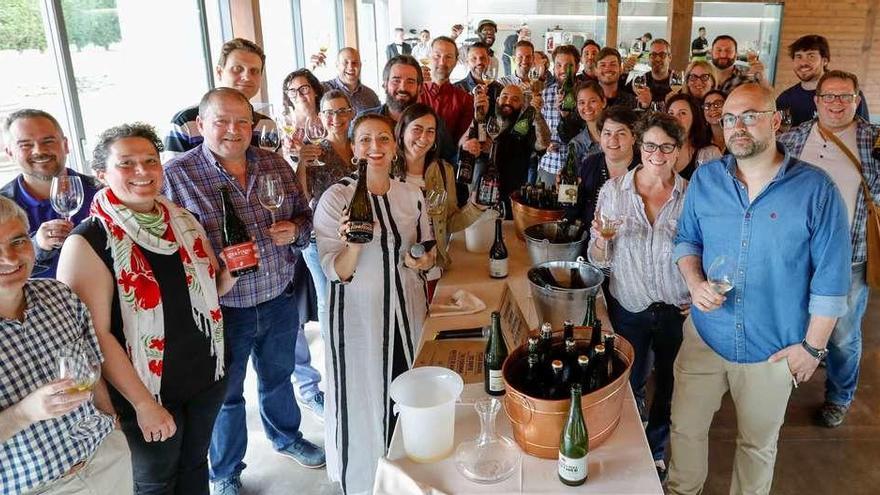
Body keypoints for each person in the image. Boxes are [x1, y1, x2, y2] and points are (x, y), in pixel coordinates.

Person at [667, 83, 851, 495]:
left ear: (776, 120)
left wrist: (813, 348)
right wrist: (694, 284)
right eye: (729, 118)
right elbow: (686, 241)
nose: (738, 127)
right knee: (686, 429)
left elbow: (832, 280)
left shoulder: (816, 190)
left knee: (757, 445)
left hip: (772, 347)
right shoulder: (707, 179)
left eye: (750, 115)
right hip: (706, 335)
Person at [56, 123, 234, 494]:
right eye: (127, 163)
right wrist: (141, 404)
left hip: (205, 376)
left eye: (150, 161)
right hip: (146, 393)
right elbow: (94, 335)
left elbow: (208, 296)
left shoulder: (182, 221)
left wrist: (231, 274)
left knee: (195, 468)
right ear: (101, 175)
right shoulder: (89, 241)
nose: (142, 171)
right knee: (155, 482)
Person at [162, 88, 324, 495]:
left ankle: (286, 438)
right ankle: (226, 471)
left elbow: (304, 217)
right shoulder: (177, 175)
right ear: (201, 125)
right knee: (226, 396)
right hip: (222, 308)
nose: (233, 130)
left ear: (253, 126)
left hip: (278, 298)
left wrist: (296, 231)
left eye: (242, 122)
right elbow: (164, 245)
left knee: (278, 378)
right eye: (221, 121)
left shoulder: (274, 165)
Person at [315, 114, 435, 494]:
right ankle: (370, 482)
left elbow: (428, 251)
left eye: (383, 139)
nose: (375, 148)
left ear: (395, 145)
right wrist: (353, 245)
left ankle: (412, 477)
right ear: (353, 149)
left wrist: (423, 261)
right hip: (359, 319)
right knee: (365, 400)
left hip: (408, 312)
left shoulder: (410, 194)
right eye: (365, 140)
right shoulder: (336, 198)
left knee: (408, 391)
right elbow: (336, 270)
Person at [0, 196, 133, 495]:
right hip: (35, 487)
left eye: (18, 240)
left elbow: (92, 366)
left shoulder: (59, 295)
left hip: (105, 460)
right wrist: (24, 413)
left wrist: (112, 424)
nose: (9, 258)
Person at [588, 111, 690, 481]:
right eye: (650, 145)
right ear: (640, 147)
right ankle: (627, 447)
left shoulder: (691, 196)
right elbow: (597, 261)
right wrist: (602, 241)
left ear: (678, 151)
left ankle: (657, 449)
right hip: (629, 305)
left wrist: (698, 291)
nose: (657, 154)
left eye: (666, 147)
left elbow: (708, 251)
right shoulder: (614, 193)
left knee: (668, 383)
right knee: (626, 381)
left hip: (675, 310)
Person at [779, 70, 880, 428]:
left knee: (843, 336)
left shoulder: (873, 140)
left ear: (856, 100)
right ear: (816, 101)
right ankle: (780, 384)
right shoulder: (792, 139)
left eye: (845, 97)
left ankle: (839, 395)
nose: (837, 104)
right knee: (790, 324)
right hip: (795, 256)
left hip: (848, 257)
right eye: (829, 97)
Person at [277, 68, 328, 417]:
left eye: (305, 88)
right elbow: (293, 190)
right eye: (293, 91)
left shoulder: (330, 120)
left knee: (330, 298)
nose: (301, 95)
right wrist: (298, 159)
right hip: (298, 226)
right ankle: (310, 386)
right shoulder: (283, 132)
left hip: (328, 224)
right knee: (306, 306)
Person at [1, 109, 102, 279]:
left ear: (65, 145)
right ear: (10, 153)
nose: (39, 150)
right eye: (25, 145)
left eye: (48, 141)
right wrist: (37, 246)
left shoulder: (101, 191)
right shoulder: (3, 206)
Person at [298, 90, 356, 351]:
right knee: (328, 298)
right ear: (321, 116)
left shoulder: (361, 143)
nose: (337, 118)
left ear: (351, 112)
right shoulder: (315, 151)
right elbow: (302, 196)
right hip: (320, 237)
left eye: (342, 111)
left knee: (354, 295)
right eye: (330, 112)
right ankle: (335, 349)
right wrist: (301, 164)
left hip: (356, 234)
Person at [395, 103, 483, 272]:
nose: (423, 137)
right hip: (396, 270)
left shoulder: (444, 171)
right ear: (402, 131)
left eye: (430, 131)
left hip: (433, 267)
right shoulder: (385, 173)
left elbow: (449, 223)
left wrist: (476, 207)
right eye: (417, 129)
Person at [164, 38, 274, 158]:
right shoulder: (185, 122)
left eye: (254, 71)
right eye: (237, 69)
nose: (247, 77)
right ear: (219, 72)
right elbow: (171, 173)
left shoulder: (266, 125)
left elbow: (276, 172)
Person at [564, 105, 640, 230]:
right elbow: (573, 212)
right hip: (591, 242)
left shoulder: (644, 170)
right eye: (607, 133)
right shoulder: (590, 164)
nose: (613, 140)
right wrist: (568, 194)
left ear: (633, 138)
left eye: (621, 134)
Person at [776, 34, 870, 127]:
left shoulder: (849, 96)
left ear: (824, 61)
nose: (803, 62)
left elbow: (864, 134)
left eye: (811, 56)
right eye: (799, 56)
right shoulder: (785, 99)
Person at [493, 84, 550, 216]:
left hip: (512, 198)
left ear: (522, 104)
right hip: (485, 194)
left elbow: (544, 143)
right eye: (505, 97)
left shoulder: (524, 128)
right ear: (497, 100)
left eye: (515, 99)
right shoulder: (487, 124)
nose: (508, 102)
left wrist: (537, 114)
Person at [536, 44, 581, 186]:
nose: (563, 70)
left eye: (568, 66)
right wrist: (543, 145)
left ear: (577, 67)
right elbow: (534, 131)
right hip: (549, 165)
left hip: (578, 168)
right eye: (559, 65)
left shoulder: (586, 94)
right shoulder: (544, 94)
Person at [419, 36, 475, 146]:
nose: (442, 62)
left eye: (448, 57)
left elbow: (461, 143)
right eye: (437, 56)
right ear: (429, 57)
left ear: (455, 61)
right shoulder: (414, 93)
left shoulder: (465, 100)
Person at [666, 93, 722, 180]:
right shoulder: (657, 151)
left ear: (694, 118)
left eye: (682, 113)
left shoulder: (710, 154)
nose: (675, 118)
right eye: (671, 113)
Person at [310, 48, 381, 114]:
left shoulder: (371, 96)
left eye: (354, 63)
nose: (350, 67)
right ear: (337, 65)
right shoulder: (324, 89)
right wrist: (311, 68)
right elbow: (303, 96)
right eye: (346, 62)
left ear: (360, 65)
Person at [360, 55, 423, 123]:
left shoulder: (430, 123)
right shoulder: (365, 121)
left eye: (410, 82)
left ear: (419, 87)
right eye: (396, 81)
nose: (403, 88)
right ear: (385, 85)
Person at [559, 80, 606, 159]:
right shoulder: (576, 144)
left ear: (604, 102)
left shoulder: (619, 134)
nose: (587, 107)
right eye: (582, 103)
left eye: (592, 101)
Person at [454, 42, 503, 117]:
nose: (479, 62)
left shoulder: (498, 89)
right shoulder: (456, 89)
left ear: (488, 61)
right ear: (467, 62)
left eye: (483, 58)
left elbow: (503, 120)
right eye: (474, 58)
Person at [633, 39, 674, 109]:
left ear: (670, 58)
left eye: (662, 55)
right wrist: (644, 105)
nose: (657, 59)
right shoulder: (641, 81)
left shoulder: (677, 83)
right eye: (654, 55)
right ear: (649, 58)